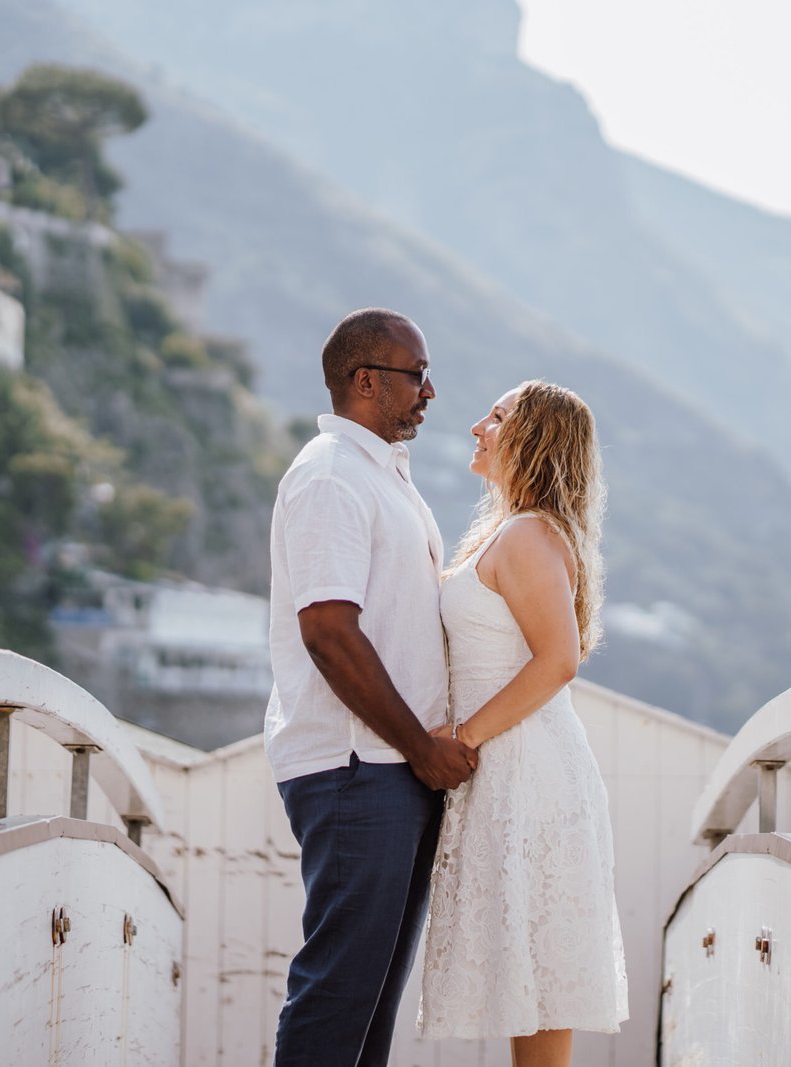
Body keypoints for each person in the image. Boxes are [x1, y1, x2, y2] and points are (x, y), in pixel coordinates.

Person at [265, 307, 480, 1066]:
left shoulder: (381, 477)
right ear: (365, 381)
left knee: (373, 996)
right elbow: (328, 630)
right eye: (416, 374)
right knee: (339, 991)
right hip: (358, 768)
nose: (431, 391)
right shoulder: (330, 475)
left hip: (391, 769)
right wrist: (420, 746)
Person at [418, 380, 629, 1067]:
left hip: (526, 766)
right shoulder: (509, 531)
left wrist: (463, 737)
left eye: (499, 416)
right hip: (505, 764)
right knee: (525, 975)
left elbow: (558, 660)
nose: (479, 425)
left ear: (534, 437)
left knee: (539, 977)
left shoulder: (531, 534)